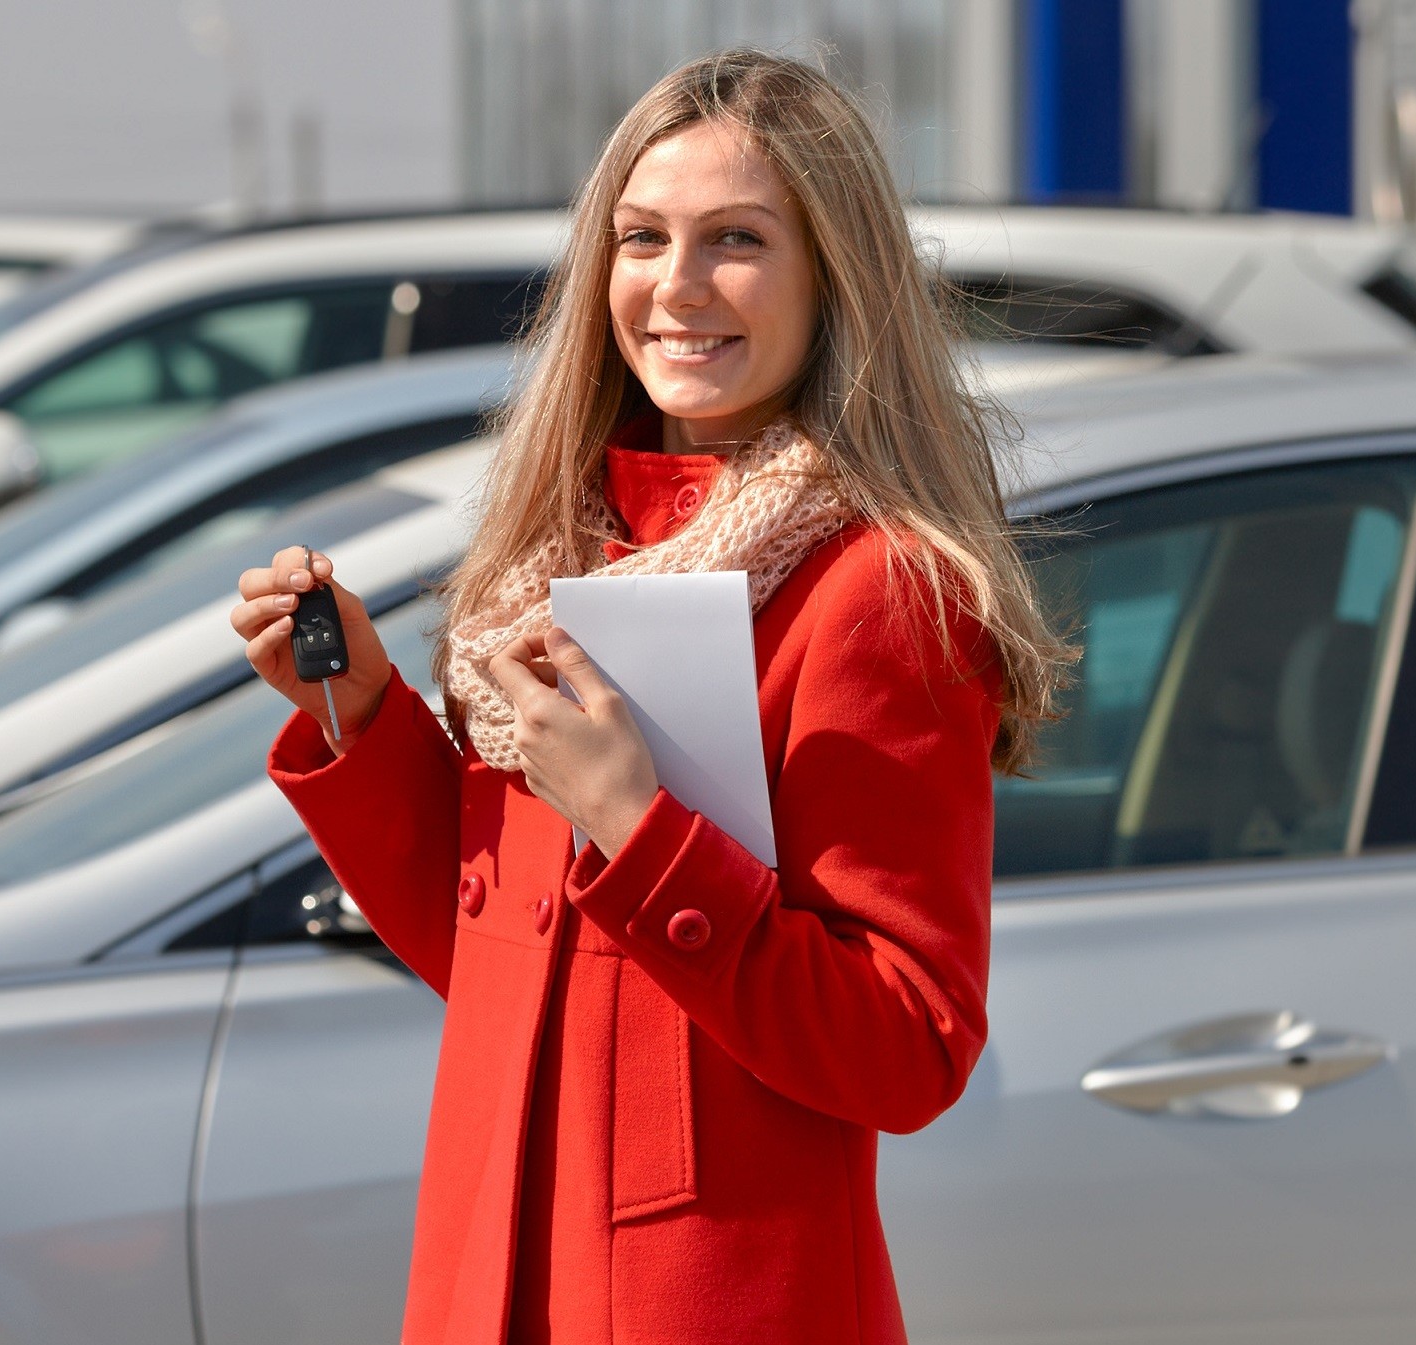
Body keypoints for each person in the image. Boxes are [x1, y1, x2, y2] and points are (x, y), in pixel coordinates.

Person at [229, 49, 1068, 1345]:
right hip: (492, 1278)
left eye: (735, 239)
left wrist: (643, 824)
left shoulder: (877, 589)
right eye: (640, 237)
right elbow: (496, 963)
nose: (675, 287)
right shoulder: (551, 558)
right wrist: (366, 710)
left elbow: (910, 1047)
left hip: (708, 1307)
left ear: (830, 273)